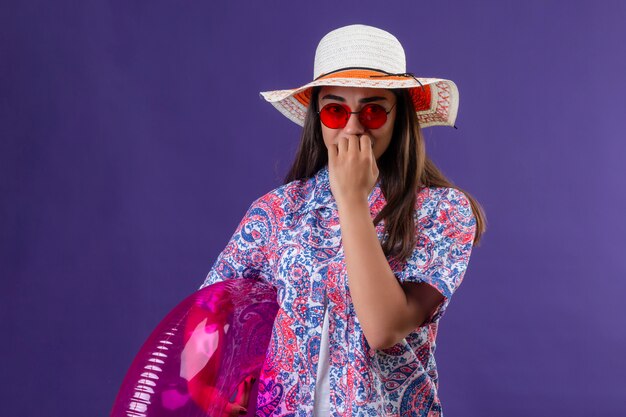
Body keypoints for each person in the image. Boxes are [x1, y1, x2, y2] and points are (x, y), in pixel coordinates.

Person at [199, 24, 486, 417]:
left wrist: (352, 199)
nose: (353, 127)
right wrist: (221, 389)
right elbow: (208, 319)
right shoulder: (276, 212)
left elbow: (384, 328)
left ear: (398, 115)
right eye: (335, 110)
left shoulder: (443, 211)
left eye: (372, 110)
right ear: (318, 118)